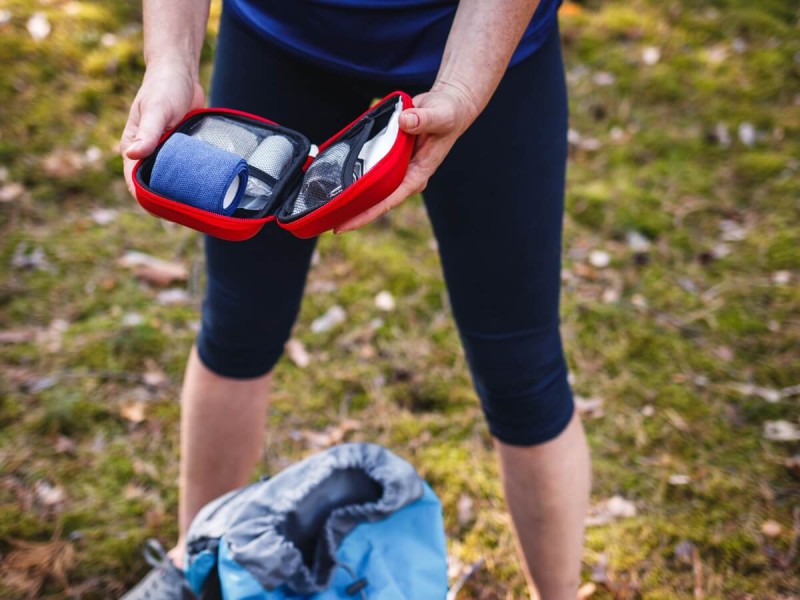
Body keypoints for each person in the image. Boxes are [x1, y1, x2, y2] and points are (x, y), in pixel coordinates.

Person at [120, 0, 591, 598]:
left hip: (483, 43)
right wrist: (169, 62)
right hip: (281, 34)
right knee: (239, 324)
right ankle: (200, 570)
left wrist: (463, 89)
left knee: (520, 366)